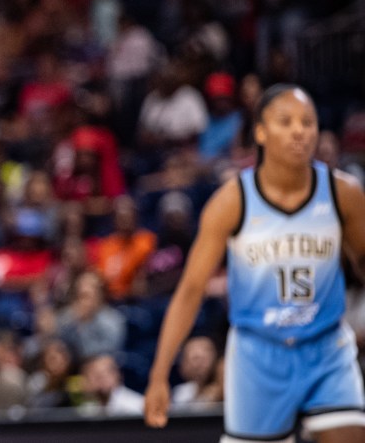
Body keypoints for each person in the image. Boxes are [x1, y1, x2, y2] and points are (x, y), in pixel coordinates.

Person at [145, 84, 365, 443]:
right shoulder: (232, 201)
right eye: (286, 121)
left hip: (326, 347)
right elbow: (191, 290)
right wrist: (158, 375)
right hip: (258, 353)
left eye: (307, 122)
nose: (300, 130)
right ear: (260, 132)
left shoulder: (345, 193)